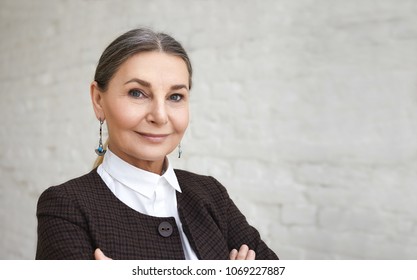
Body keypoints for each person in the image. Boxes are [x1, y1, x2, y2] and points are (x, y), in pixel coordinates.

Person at [35, 28, 278, 260]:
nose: (160, 116)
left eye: (175, 97)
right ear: (99, 100)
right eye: (137, 93)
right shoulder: (66, 206)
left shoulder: (211, 194)